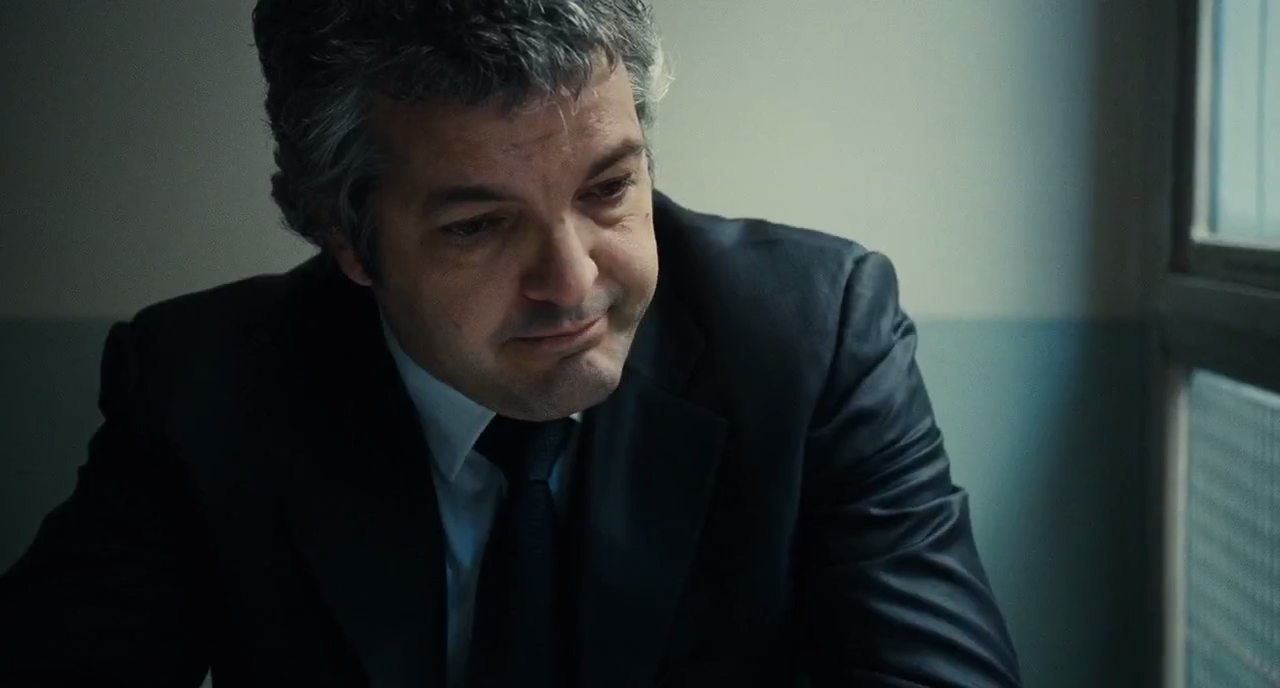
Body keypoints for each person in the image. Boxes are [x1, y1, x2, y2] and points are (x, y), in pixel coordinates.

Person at [0, 1, 1021, 686]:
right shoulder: (202, 388)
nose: (572, 282)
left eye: (608, 188)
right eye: (479, 226)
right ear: (347, 237)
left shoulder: (814, 335)